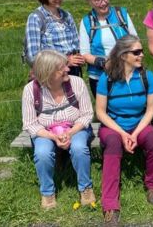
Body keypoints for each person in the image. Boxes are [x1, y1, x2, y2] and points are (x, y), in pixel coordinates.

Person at [96, 35, 153, 225]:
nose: (142, 55)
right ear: (123, 55)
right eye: (136, 52)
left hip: (139, 123)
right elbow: (101, 113)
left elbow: (150, 109)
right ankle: (110, 204)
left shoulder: (146, 76)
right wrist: (123, 133)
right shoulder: (107, 78)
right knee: (112, 146)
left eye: (141, 51)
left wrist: (134, 134)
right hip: (113, 125)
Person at [22, 50, 95, 210]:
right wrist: (53, 137)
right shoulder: (30, 90)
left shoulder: (76, 83)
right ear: (48, 74)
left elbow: (87, 114)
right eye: (62, 68)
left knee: (78, 147)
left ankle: (85, 187)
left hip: (75, 127)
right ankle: (47, 191)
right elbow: (30, 124)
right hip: (45, 131)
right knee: (42, 152)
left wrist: (69, 132)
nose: (67, 69)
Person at [79, 0, 138, 97]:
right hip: (100, 77)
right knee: (105, 112)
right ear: (89, 1)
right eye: (98, 0)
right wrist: (103, 62)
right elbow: (85, 54)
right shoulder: (86, 22)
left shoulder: (121, 14)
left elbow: (135, 40)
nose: (103, 2)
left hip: (128, 71)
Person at [24, 0, 84, 76]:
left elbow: (77, 44)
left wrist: (79, 57)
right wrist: (66, 61)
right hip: (51, 74)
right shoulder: (36, 18)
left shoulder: (67, 16)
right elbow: (33, 56)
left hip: (73, 71)